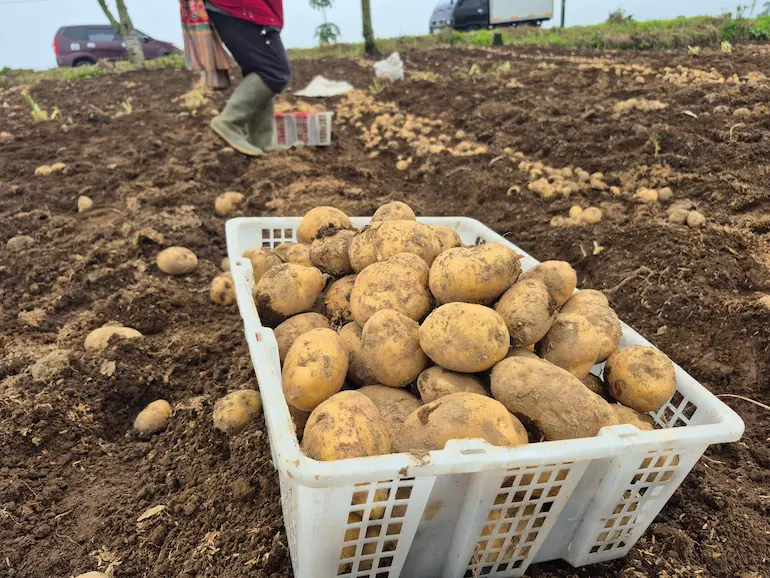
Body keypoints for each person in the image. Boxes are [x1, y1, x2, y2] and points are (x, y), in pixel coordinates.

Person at [204, 0, 291, 156]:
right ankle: (230, 122)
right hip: (240, 7)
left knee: (261, 68)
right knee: (275, 70)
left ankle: (263, 142)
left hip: (245, 8)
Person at [179, 0, 232, 90]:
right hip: (191, 8)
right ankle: (214, 79)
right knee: (201, 37)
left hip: (199, 7)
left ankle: (213, 80)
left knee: (205, 38)